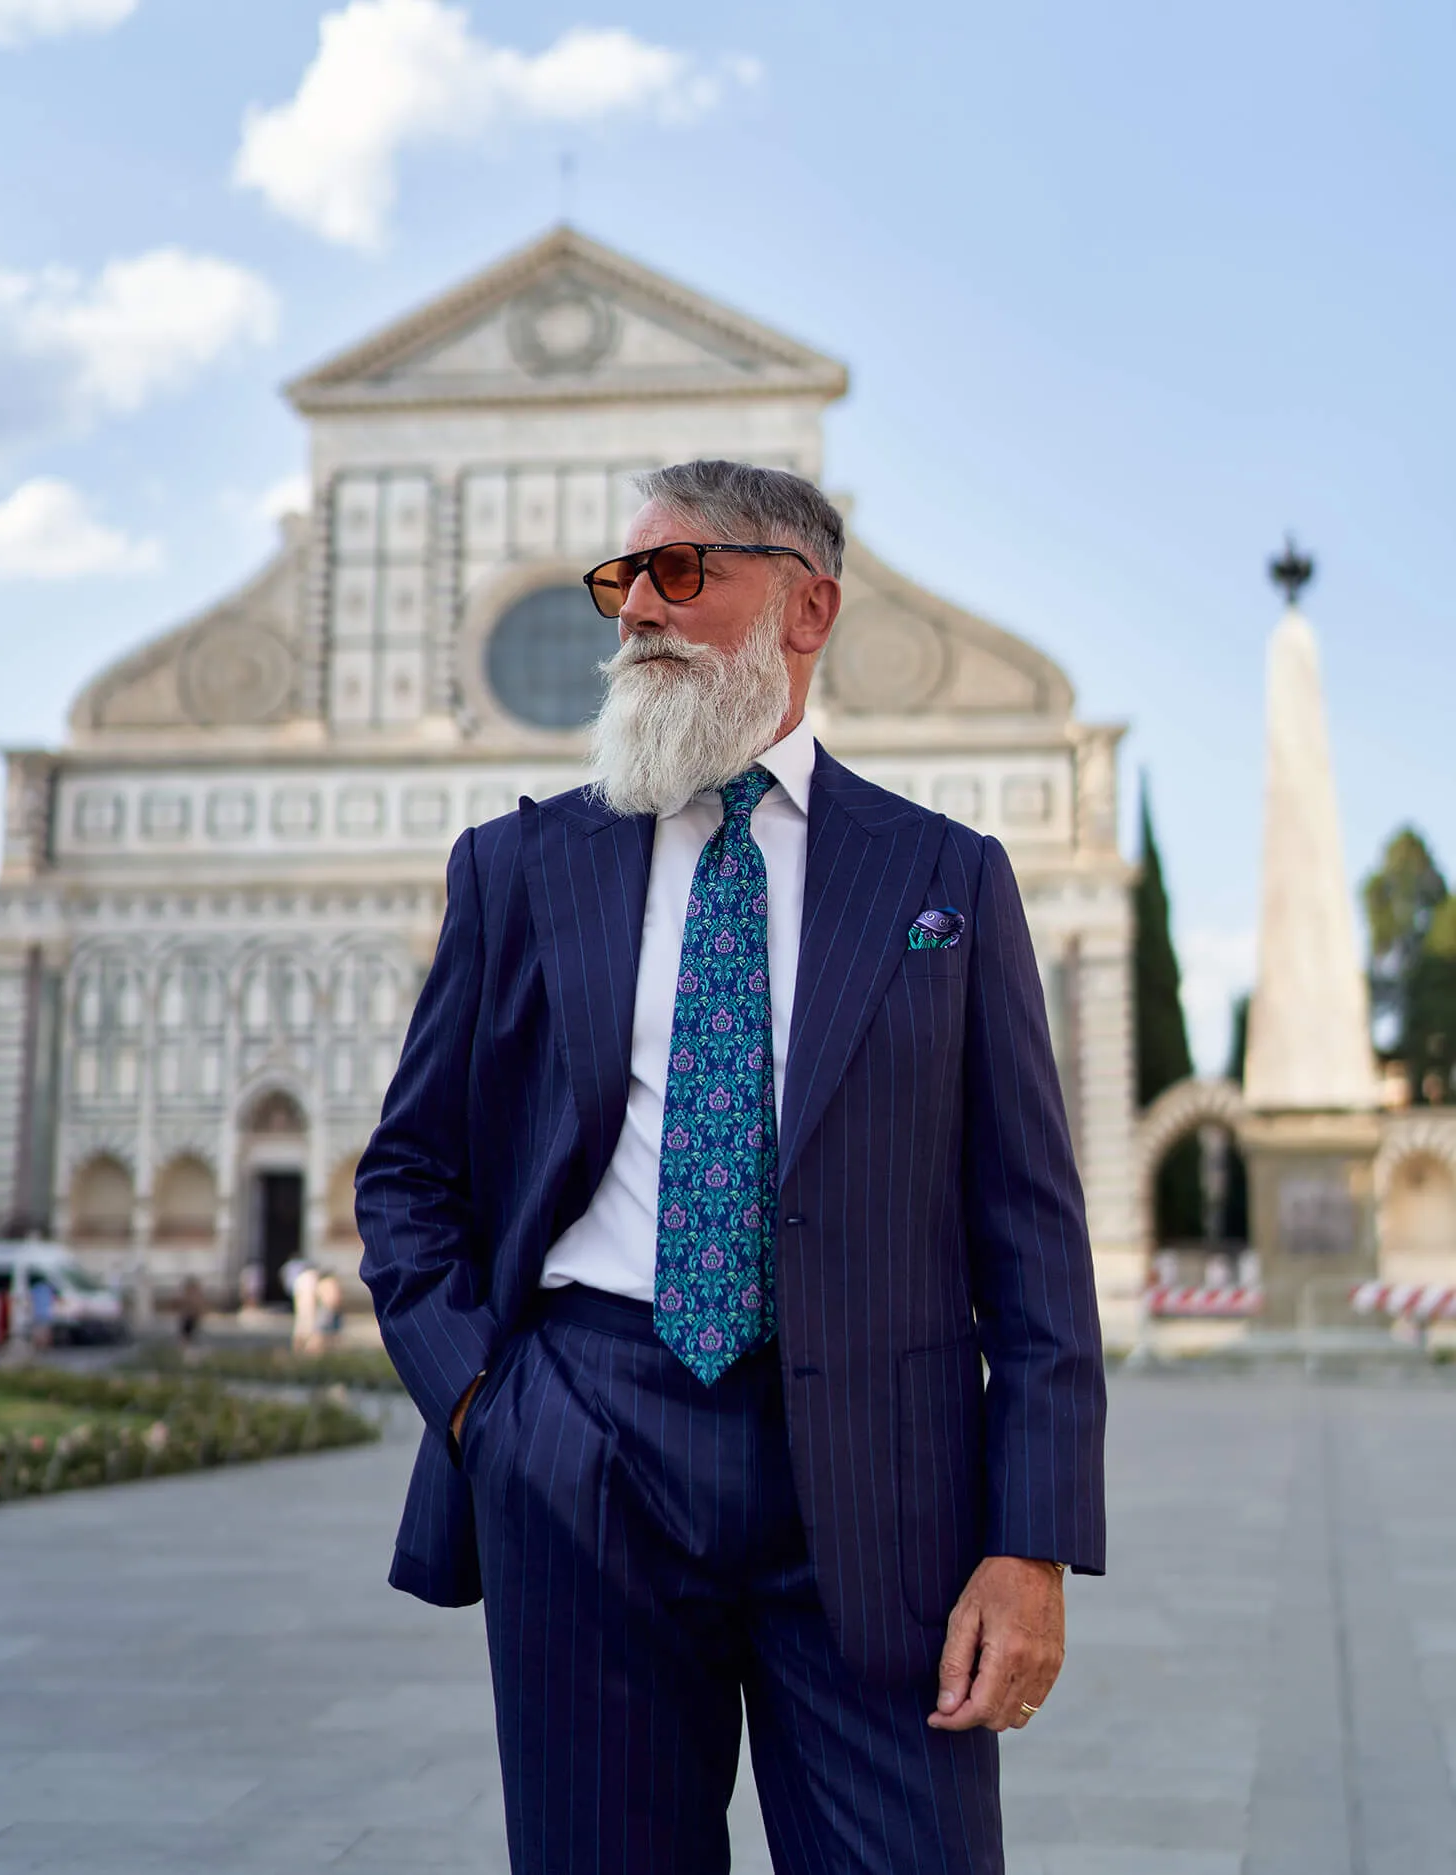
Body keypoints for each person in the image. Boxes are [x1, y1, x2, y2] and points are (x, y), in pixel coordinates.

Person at [358, 460, 1106, 1875]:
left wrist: (1036, 1540)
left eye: (680, 572)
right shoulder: (519, 868)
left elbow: (1034, 1242)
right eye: (620, 579)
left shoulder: (946, 876)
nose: (635, 606)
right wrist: (485, 1405)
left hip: (887, 1487)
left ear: (807, 603)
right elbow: (407, 1177)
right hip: (586, 1446)